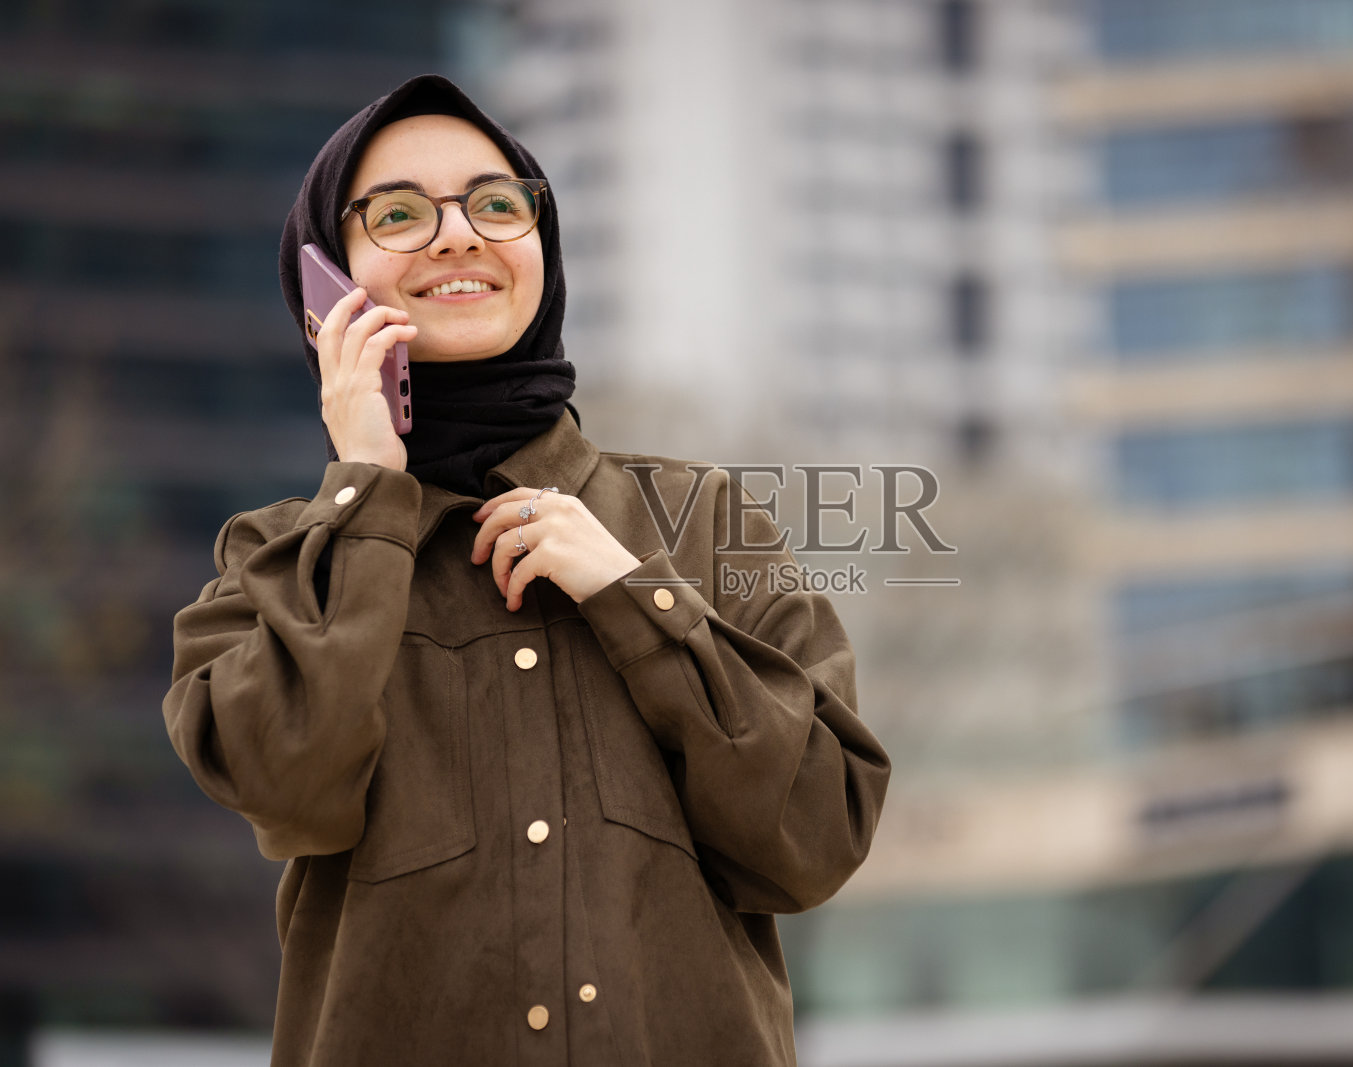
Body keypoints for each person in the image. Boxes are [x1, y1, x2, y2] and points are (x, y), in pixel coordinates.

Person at [162, 73, 890, 1066]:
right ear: (324, 287)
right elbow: (288, 782)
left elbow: (815, 837)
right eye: (400, 213)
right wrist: (368, 490)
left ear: (541, 247)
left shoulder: (705, 521)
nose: (458, 235)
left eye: (496, 202)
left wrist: (636, 599)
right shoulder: (271, 560)